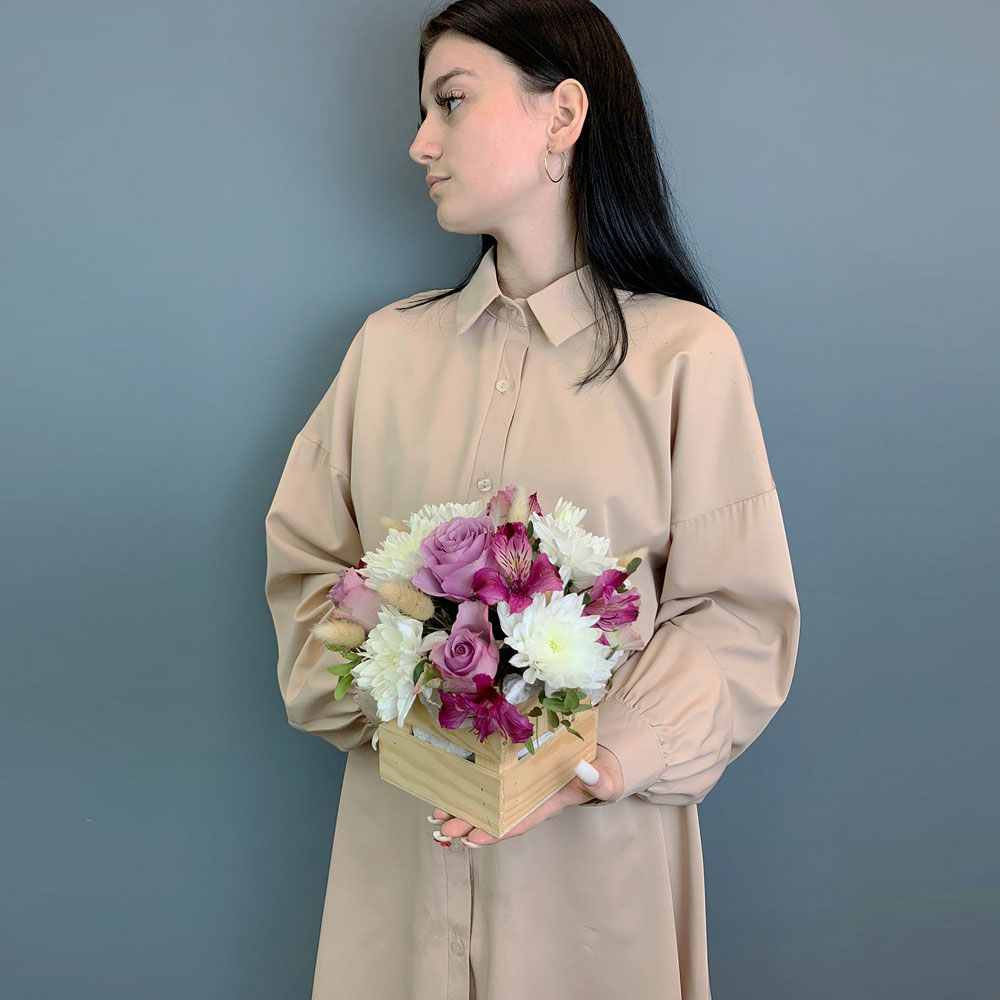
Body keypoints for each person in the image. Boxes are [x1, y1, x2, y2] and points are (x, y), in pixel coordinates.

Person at [263, 2, 801, 997]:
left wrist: (595, 761)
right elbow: (307, 575)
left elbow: (737, 620)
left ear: (563, 115)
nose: (420, 142)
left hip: (592, 890)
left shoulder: (684, 358)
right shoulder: (387, 351)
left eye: (451, 102)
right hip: (400, 867)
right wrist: (405, 677)